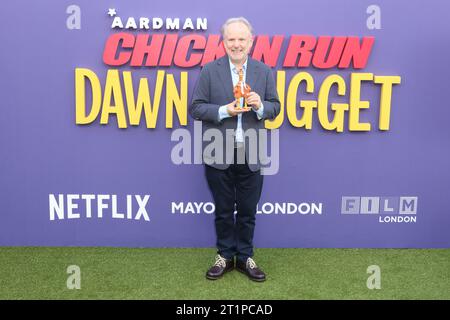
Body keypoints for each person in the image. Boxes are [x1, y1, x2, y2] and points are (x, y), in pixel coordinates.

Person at [190, 17, 280, 282]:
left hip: (251, 153)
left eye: (242, 39)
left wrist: (260, 105)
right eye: (231, 39)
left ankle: (245, 257)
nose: (236, 44)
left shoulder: (264, 72)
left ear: (251, 42)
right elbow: (196, 108)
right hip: (218, 152)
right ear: (224, 42)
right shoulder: (209, 70)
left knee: (249, 209)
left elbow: (275, 107)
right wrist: (223, 110)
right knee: (223, 209)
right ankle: (225, 256)